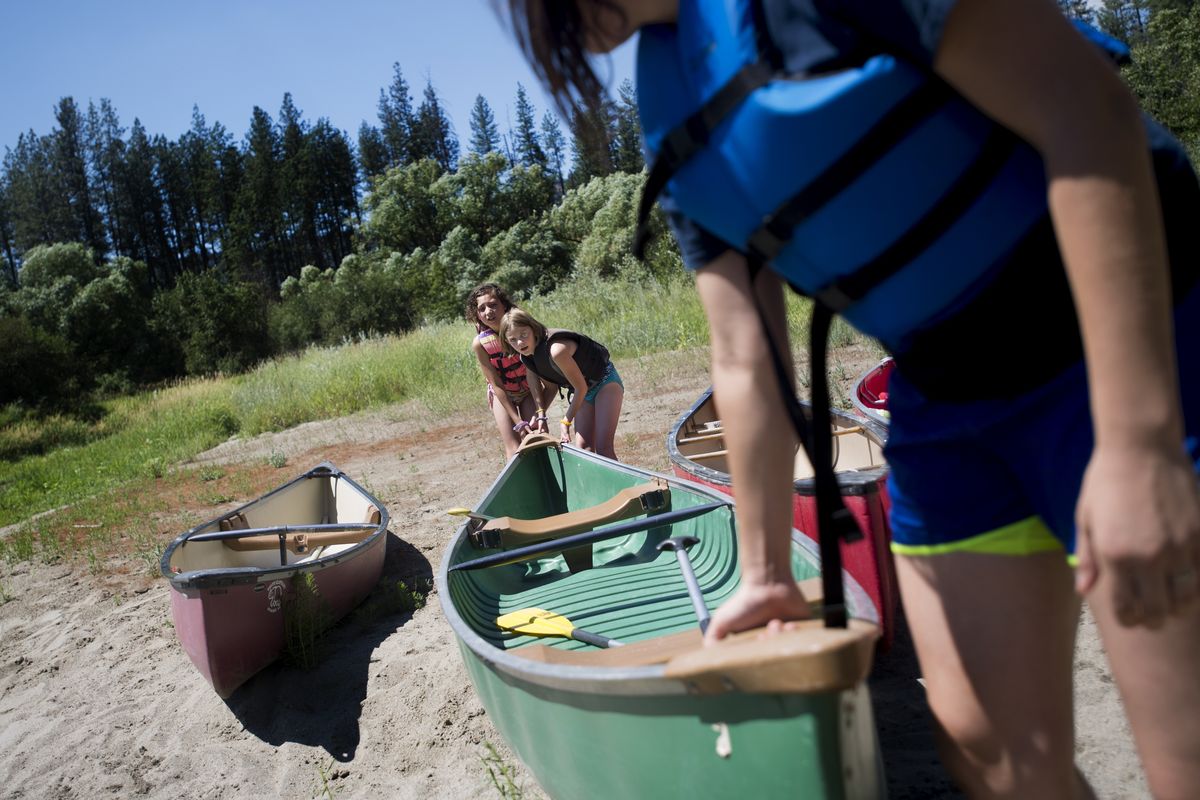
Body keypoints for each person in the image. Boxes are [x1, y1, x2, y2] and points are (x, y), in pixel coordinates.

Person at [501, 1, 1200, 797]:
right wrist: (763, 573)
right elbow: (746, 359)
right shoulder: (675, 114)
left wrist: (1139, 442)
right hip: (941, 381)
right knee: (989, 749)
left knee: (1183, 747)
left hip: (1120, 333)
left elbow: (1088, 111)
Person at [498, 307, 624, 460]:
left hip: (605, 383)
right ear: (506, 341)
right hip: (584, 392)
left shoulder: (556, 350)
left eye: (524, 334)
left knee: (604, 447)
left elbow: (580, 387)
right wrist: (540, 416)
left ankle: (626, 484)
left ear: (533, 329)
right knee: (584, 449)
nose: (519, 342)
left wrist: (566, 421)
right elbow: (550, 387)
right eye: (512, 339)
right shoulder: (527, 357)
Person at [466, 283, 540, 460]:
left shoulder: (522, 330)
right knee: (514, 448)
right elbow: (496, 384)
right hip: (502, 394)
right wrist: (517, 421)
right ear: (476, 314)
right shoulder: (480, 344)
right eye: (481, 308)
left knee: (535, 439)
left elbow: (534, 369)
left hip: (527, 390)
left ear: (504, 305)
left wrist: (540, 410)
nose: (488, 311)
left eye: (493, 305)